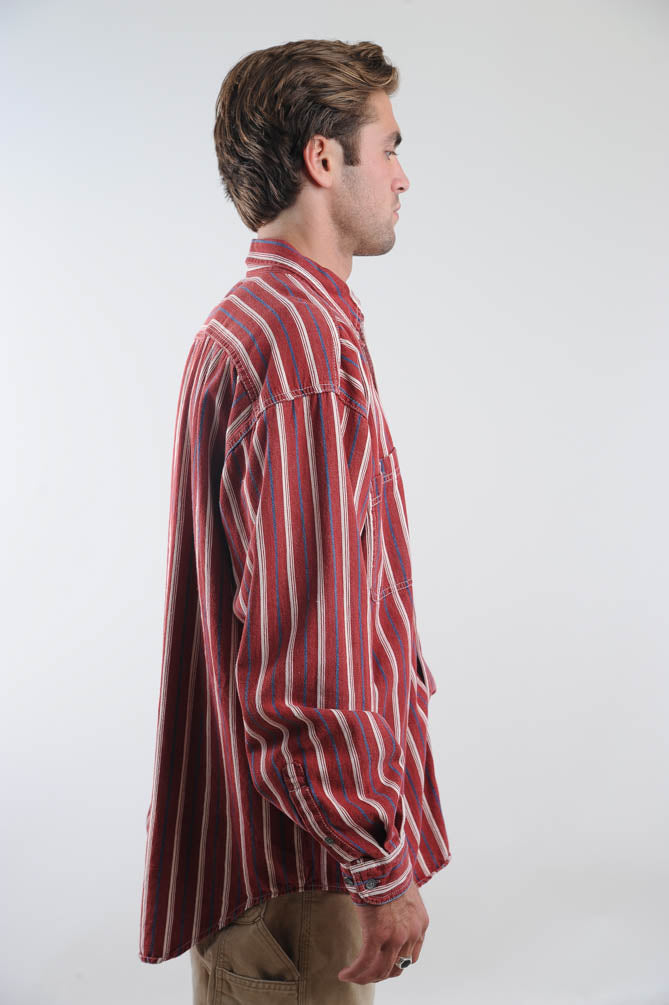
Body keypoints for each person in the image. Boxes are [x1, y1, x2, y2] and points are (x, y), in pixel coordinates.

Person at [138, 38, 451, 1003]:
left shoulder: (251, 323)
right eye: (387, 147)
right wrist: (377, 861)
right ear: (323, 159)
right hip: (301, 877)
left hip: (274, 867)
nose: (401, 177)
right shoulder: (300, 348)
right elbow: (305, 660)